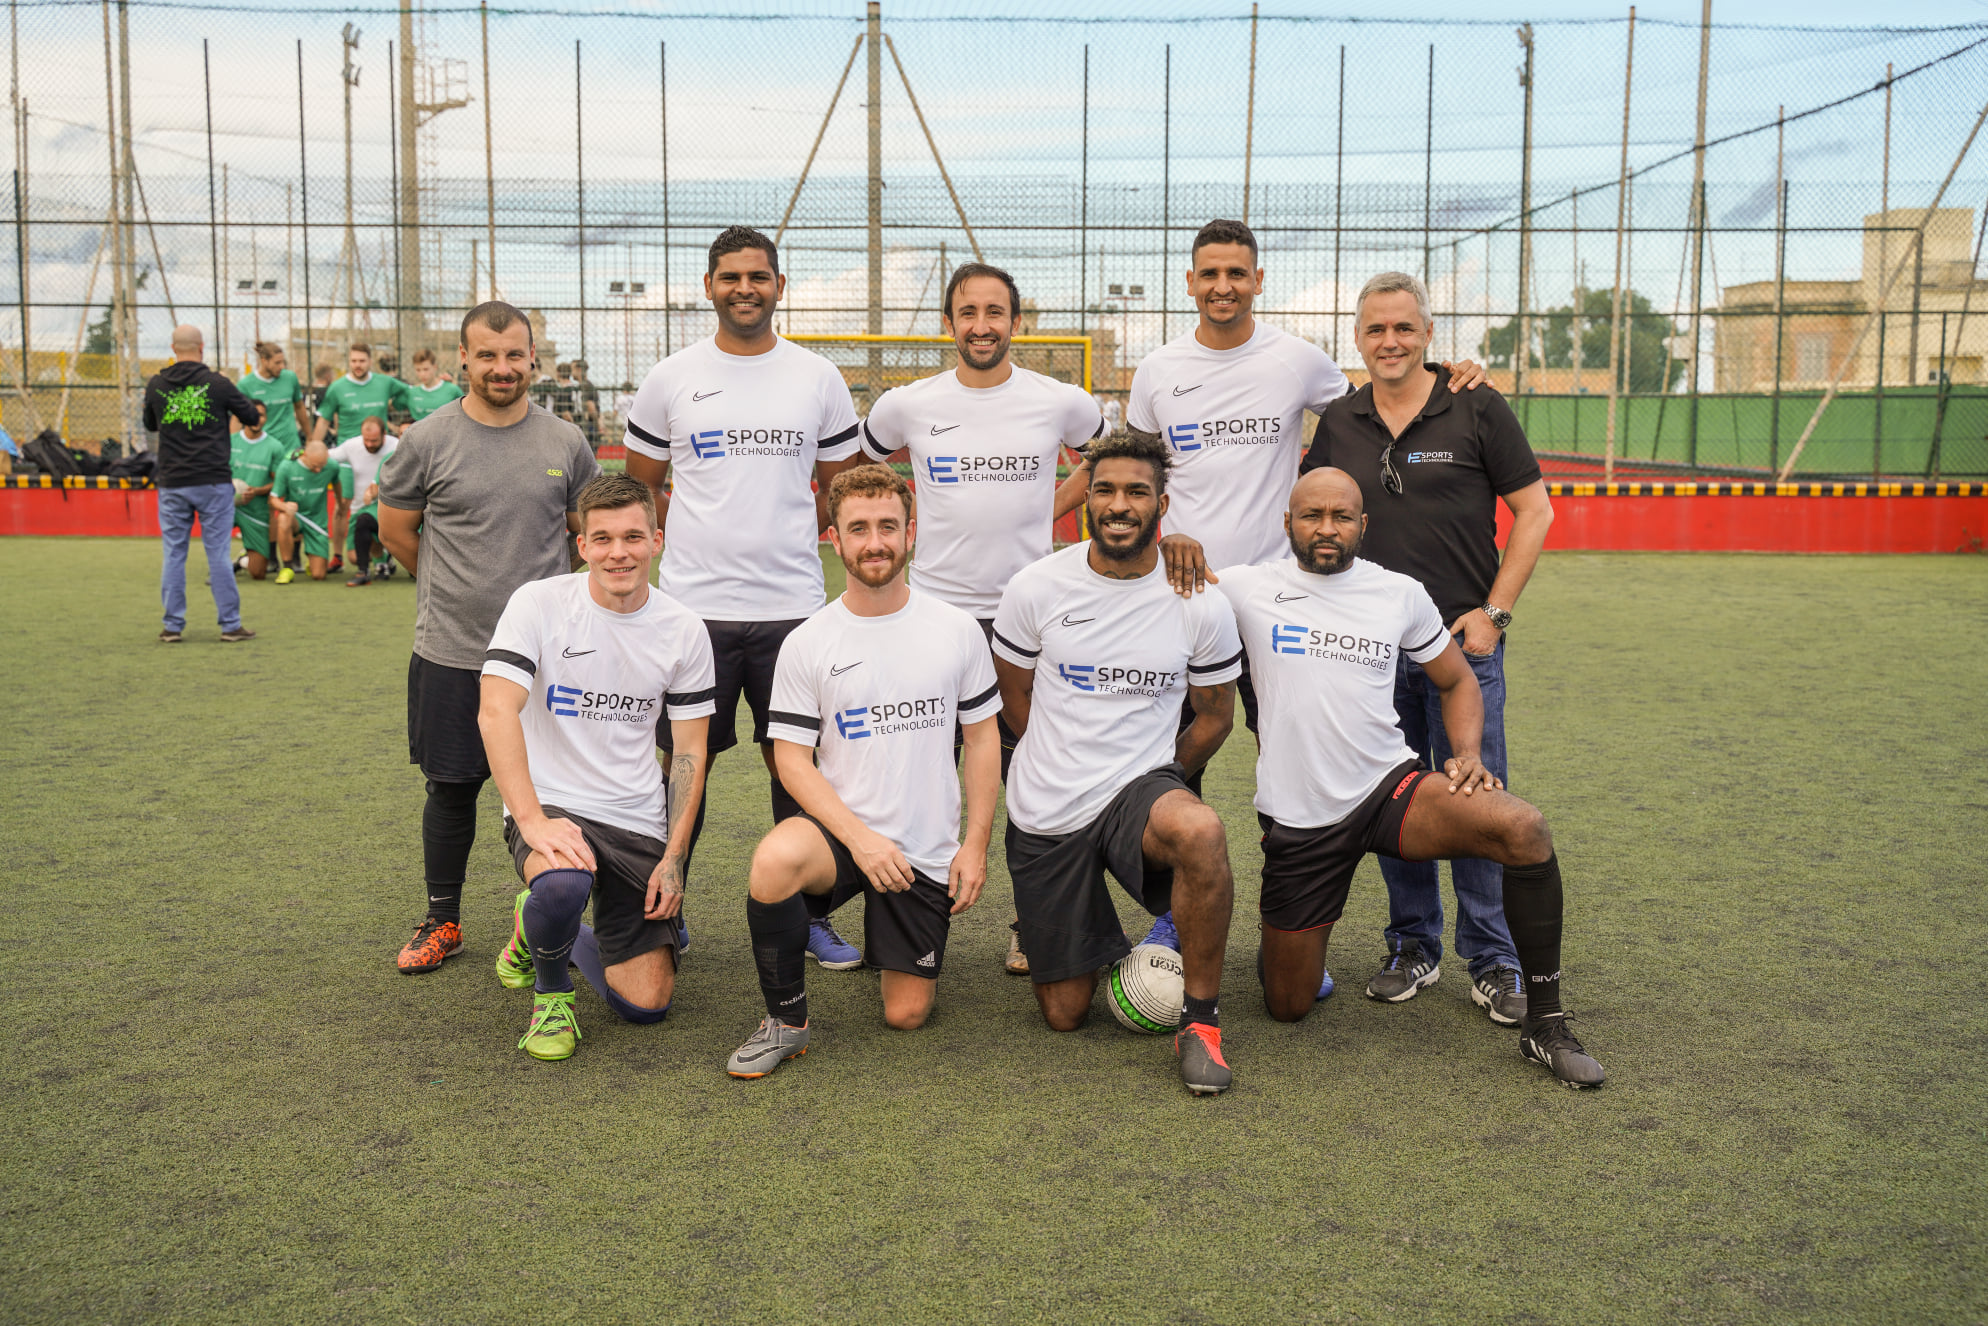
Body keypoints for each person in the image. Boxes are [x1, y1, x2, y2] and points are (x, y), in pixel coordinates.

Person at [1122, 219, 1485, 1004]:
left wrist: (1449, 375)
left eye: (1237, 273)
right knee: (1168, 767)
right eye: (1209, 273)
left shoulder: (1298, 360)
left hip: (1277, 606)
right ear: (1190, 282)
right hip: (1181, 602)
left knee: (1289, 769)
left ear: (1259, 281)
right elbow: (1137, 473)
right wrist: (1166, 529)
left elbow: (1380, 402)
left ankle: (1292, 925)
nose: (1223, 286)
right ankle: (1170, 919)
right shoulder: (1158, 369)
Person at [1214, 467, 1602, 1087]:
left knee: (1523, 828)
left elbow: (1457, 680)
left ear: (1362, 525)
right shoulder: (1242, 587)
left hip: (1390, 789)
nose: (1326, 528)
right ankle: (1284, 944)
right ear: (1287, 523)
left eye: (1342, 517)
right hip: (1302, 816)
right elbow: (1157, 585)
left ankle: (1546, 1024)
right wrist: (1177, 549)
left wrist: (1467, 753)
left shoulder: (1398, 592)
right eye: (1312, 515)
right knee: (1287, 1004)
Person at [1302, 272, 1555, 1026]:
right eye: (1376, 329)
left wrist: (1494, 615)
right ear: (1357, 338)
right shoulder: (1340, 419)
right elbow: (1319, 520)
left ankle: (1494, 958)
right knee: (1395, 798)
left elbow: (1535, 511)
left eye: (1404, 328)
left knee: (1476, 797)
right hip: (1369, 655)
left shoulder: (1475, 403)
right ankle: (1413, 944)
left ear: (1428, 334)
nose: (1390, 342)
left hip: (1460, 649)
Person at [620, 225, 869, 967]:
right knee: (681, 768)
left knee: (799, 768)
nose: (744, 289)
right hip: (692, 613)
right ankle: (663, 906)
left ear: (779, 286)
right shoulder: (670, 378)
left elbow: (841, 492)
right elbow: (641, 489)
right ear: (709, 286)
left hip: (793, 610)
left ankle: (808, 915)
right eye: (730, 277)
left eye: (758, 276)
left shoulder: (818, 378)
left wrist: (781, 536)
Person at [855, 260, 1102, 977]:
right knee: (916, 774)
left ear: (1015, 322)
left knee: (1033, 778)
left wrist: (1046, 509)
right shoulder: (908, 405)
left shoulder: (1060, 401)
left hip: (1029, 622)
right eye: (968, 312)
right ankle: (906, 924)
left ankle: (1033, 924)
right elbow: (860, 471)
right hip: (934, 618)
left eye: (995, 312)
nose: (982, 325)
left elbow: (1108, 460)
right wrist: (904, 521)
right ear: (948, 324)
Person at [725, 466, 1001, 1077]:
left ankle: (893, 934)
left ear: (910, 533)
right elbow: (790, 759)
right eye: (858, 529)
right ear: (834, 538)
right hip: (844, 834)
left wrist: (975, 844)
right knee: (774, 860)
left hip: (922, 850)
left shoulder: (956, 629)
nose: (874, 542)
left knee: (906, 1014)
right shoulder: (809, 640)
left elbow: (983, 740)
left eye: (887, 527)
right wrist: (860, 840)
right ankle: (785, 1023)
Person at [991, 433, 1244, 1096]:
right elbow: (1013, 696)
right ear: (1087, 500)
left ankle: (1202, 1023)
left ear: (1162, 503)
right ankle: (1101, 941)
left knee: (1200, 829)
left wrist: (1161, 773)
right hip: (1048, 805)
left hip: (1139, 789)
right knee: (1065, 1013)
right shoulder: (1036, 587)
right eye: (1104, 489)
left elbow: (1216, 716)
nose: (1119, 504)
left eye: (1136, 491)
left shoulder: (1199, 600)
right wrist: (1058, 755)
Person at [378, 301, 601, 974]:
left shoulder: (566, 442)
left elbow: (587, 534)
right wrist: (451, 590)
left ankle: (556, 919)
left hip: (547, 659)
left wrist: (542, 610)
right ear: (464, 360)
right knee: (451, 789)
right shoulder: (427, 440)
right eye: (487, 356)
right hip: (451, 651)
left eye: (513, 356)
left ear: (532, 358)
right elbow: (396, 531)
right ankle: (442, 920)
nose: (502, 368)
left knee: (563, 790)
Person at [479, 473, 716, 1061]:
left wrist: (674, 859)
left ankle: (536, 924)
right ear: (582, 544)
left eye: (633, 537)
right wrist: (531, 821)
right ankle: (551, 994)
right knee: (563, 881)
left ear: (656, 540)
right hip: (553, 803)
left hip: (635, 815)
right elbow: (495, 711)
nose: (618, 553)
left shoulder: (684, 629)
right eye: (603, 539)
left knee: (645, 1006)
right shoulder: (538, 604)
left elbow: (689, 752)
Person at [141, 323, 261, 643]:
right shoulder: (217, 383)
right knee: (218, 554)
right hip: (212, 481)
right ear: (202, 347)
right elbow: (252, 416)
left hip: (172, 481)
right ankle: (230, 625)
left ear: (173, 348)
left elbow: (150, 424)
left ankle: (172, 626)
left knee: (174, 554)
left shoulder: (156, 384)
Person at [330, 415, 398, 587]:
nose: (369, 444)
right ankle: (384, 557)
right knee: (354, 557)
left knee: (368, 522)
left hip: (389, 507)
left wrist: (376, 492)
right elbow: (327, 457)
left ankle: (380, 563)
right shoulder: (352, 446)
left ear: (384, 434)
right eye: (366, 440)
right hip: (360, 507)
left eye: (374, 441)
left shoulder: (396, 447)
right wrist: (302, 454)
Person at [269, 439, 343, 583]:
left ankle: (312, 558)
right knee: (283, 518)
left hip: (317, 522)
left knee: (319, 575)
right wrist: (284, 506)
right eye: (315, 466)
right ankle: (287, 568)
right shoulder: (287, 467)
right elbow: (273, 499)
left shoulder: (332, 466)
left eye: (322, 466)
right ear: (305, 456)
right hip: (296, 517)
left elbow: (336, 483)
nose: (319, 470)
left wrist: (340, 504)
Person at [311, 342, 411, 446]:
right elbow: (323, 421)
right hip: (348, 450)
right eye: (354, 361)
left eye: (362, 361)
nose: (357, 365)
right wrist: (313, 447)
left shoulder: (385, 382)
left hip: (379, 448)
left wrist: (397, 404)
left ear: (370, 362)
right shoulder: (337, 388)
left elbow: (411, 392)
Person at [229, 404, 282, 580]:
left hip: (256, 512)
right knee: (213, 528)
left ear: (266, 418)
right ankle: (219, 569)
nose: (257, 419)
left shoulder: (274, 446)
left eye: (261, 415)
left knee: (258, 573)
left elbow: (278, 483)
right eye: (253, 414)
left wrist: (258, 491)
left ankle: (242, 561)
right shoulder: (229, 441)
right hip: (228, 507)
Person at [235, 342, 308, 455]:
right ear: (264, 361)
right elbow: (236, 419)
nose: (282, 366)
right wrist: (234, 447)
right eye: (277, 363)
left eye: (283, 362)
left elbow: (299, 407)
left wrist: (310, 437)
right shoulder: (245, 385)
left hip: (291, 447)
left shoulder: (290, 378)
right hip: (263, 449)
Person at [404, 348, 464, 423]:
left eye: (426, 369)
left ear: (435, 367)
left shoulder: (452, 389)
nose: (422, 374)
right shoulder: (412, 392)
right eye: (418, 370)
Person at [570, 359, 601, 446]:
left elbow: (591, 408)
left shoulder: (587, 386)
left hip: (588, 427)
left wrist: (597, 425)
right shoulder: (582, 386)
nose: (570, 372)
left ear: (579, 369)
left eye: (572, 369)